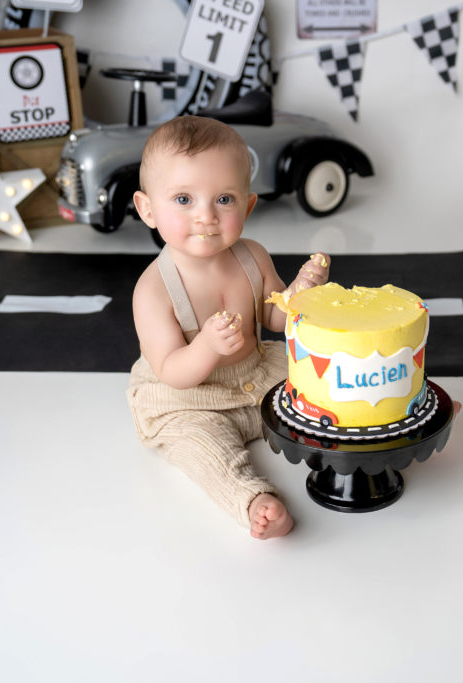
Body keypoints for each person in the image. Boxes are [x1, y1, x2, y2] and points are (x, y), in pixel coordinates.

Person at [126, 115, 329, 540]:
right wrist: (207, 346)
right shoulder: (153, 289)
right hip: (189, 397)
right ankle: (252, 500)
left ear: (248, 206)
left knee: (321, 378)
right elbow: (170, 370)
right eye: (183, 200)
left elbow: (273, 319)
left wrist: (298, 296)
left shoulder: (252, 257)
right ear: (147, 209)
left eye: (224, 200)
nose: (206, 216)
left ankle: (395, 414)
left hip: (254, 371)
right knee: (199, 447)